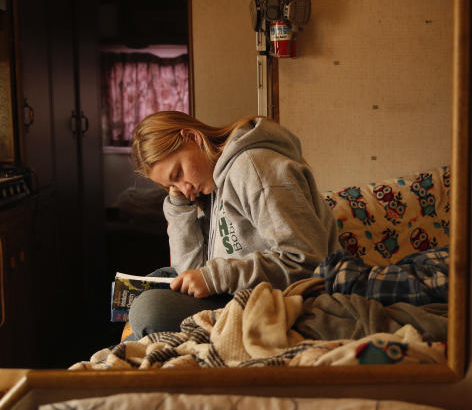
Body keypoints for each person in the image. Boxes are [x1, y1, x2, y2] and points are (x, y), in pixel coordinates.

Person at [126, 111, 337, 338]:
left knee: (149, 310)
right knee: (159, 281)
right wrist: (179, 206)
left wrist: (216, 277)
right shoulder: (213, 185)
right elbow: (192, 270)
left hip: (286, 298)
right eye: (171, 185)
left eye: (178, 173)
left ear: (192, 137)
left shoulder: (255, 168)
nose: (184, 188)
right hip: (240, 289)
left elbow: (306, 259)